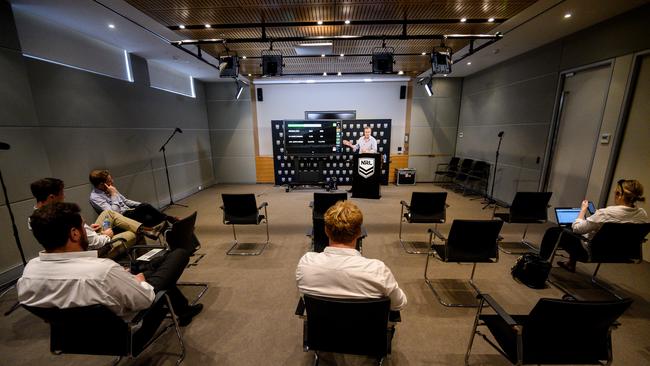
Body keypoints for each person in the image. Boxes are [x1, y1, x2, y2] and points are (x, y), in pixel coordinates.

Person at [17, 202, 202, 326]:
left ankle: (180, 306)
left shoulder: (28, 274)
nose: (86, 231)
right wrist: (139, 281)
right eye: (84, 227)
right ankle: (180, 305)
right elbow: (145, 299)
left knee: (148, 265)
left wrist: (124, 275)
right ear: (74, 234)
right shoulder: (103, 270)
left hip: (75, 337)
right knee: (178, 254)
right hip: (129, 328)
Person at [296, 200, 407, 311]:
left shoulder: (306, 263)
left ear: (326, 231)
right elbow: (398, 304)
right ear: (359, 233)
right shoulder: (378, 271)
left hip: (321, 327)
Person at [30, 178, 163, 258]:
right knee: (131, 232)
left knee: (109, 214)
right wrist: (107, 235)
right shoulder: (62, 217)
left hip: (87, 238)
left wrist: (88, 228)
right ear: (51, 197)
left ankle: (145, 229)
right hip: (95, 250)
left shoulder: (35, 218)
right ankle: (145, 261)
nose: (64, 197)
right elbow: (94, 243)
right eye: (62, 194)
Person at [539, 179, 648, 272]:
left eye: (615, 193)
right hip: (623, 254)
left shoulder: (606, 213)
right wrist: (596, 216)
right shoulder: (643, 214)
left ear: (619, 195)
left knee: (555, 231)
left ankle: (540, 263)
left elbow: (577, 229)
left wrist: (583, 211)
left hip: (592, 252)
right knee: (587, 228)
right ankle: (570, 264)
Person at [89, 169, 174, 226]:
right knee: (152, 217)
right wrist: (113, 195)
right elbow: (113, 214)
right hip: (121, 218)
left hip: (130, 212)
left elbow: (125, 201)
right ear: (101, 184)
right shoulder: (95, 198)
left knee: (148, 210)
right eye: (109, 181)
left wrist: (141, 206)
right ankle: (169, 220)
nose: (112, 182)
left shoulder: (110, 188)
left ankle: (169, 232)